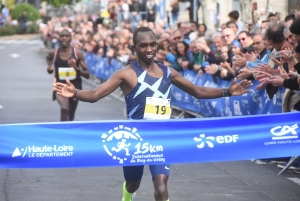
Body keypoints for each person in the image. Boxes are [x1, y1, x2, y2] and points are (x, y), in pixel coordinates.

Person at [53, 27, 252, 201]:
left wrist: (228, 92)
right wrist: (76, 93)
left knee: (161, 187)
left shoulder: (168, 72)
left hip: (160, 137)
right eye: (143, 45)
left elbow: (197, 91)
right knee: (133, 184)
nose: (149, 49)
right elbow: (96, 94)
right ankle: (127, 195)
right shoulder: (126, 73)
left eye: (152, 44)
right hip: (135, 139)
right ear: (134, 48)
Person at [47, 29, 90, 121]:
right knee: (64, 108)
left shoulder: (77, 53)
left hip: (75, 87)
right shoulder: (54, 53)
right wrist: (49, 67)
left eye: (66, 36)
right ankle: (63, 132)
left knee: (70, 114)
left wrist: (76, 69)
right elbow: (48, 57)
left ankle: (69, 128)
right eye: (61, 36)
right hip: (60, 86)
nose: (64, 38)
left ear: (71, 39)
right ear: (58, 38)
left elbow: (87, 75)